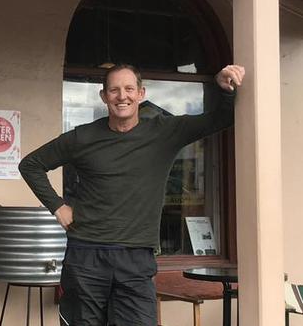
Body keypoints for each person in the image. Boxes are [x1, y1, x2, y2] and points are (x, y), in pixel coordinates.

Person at [18, 63, 245, 326]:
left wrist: (223, 87)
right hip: (86, 255)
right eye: (114, 90)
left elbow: (221, 119)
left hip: (136, 258)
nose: (121, 96)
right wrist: (58, 206)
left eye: (128, 89)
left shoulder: (165, 131)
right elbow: (31, 165)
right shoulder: (83, 137)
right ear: (104, 97)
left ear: (141, 93)